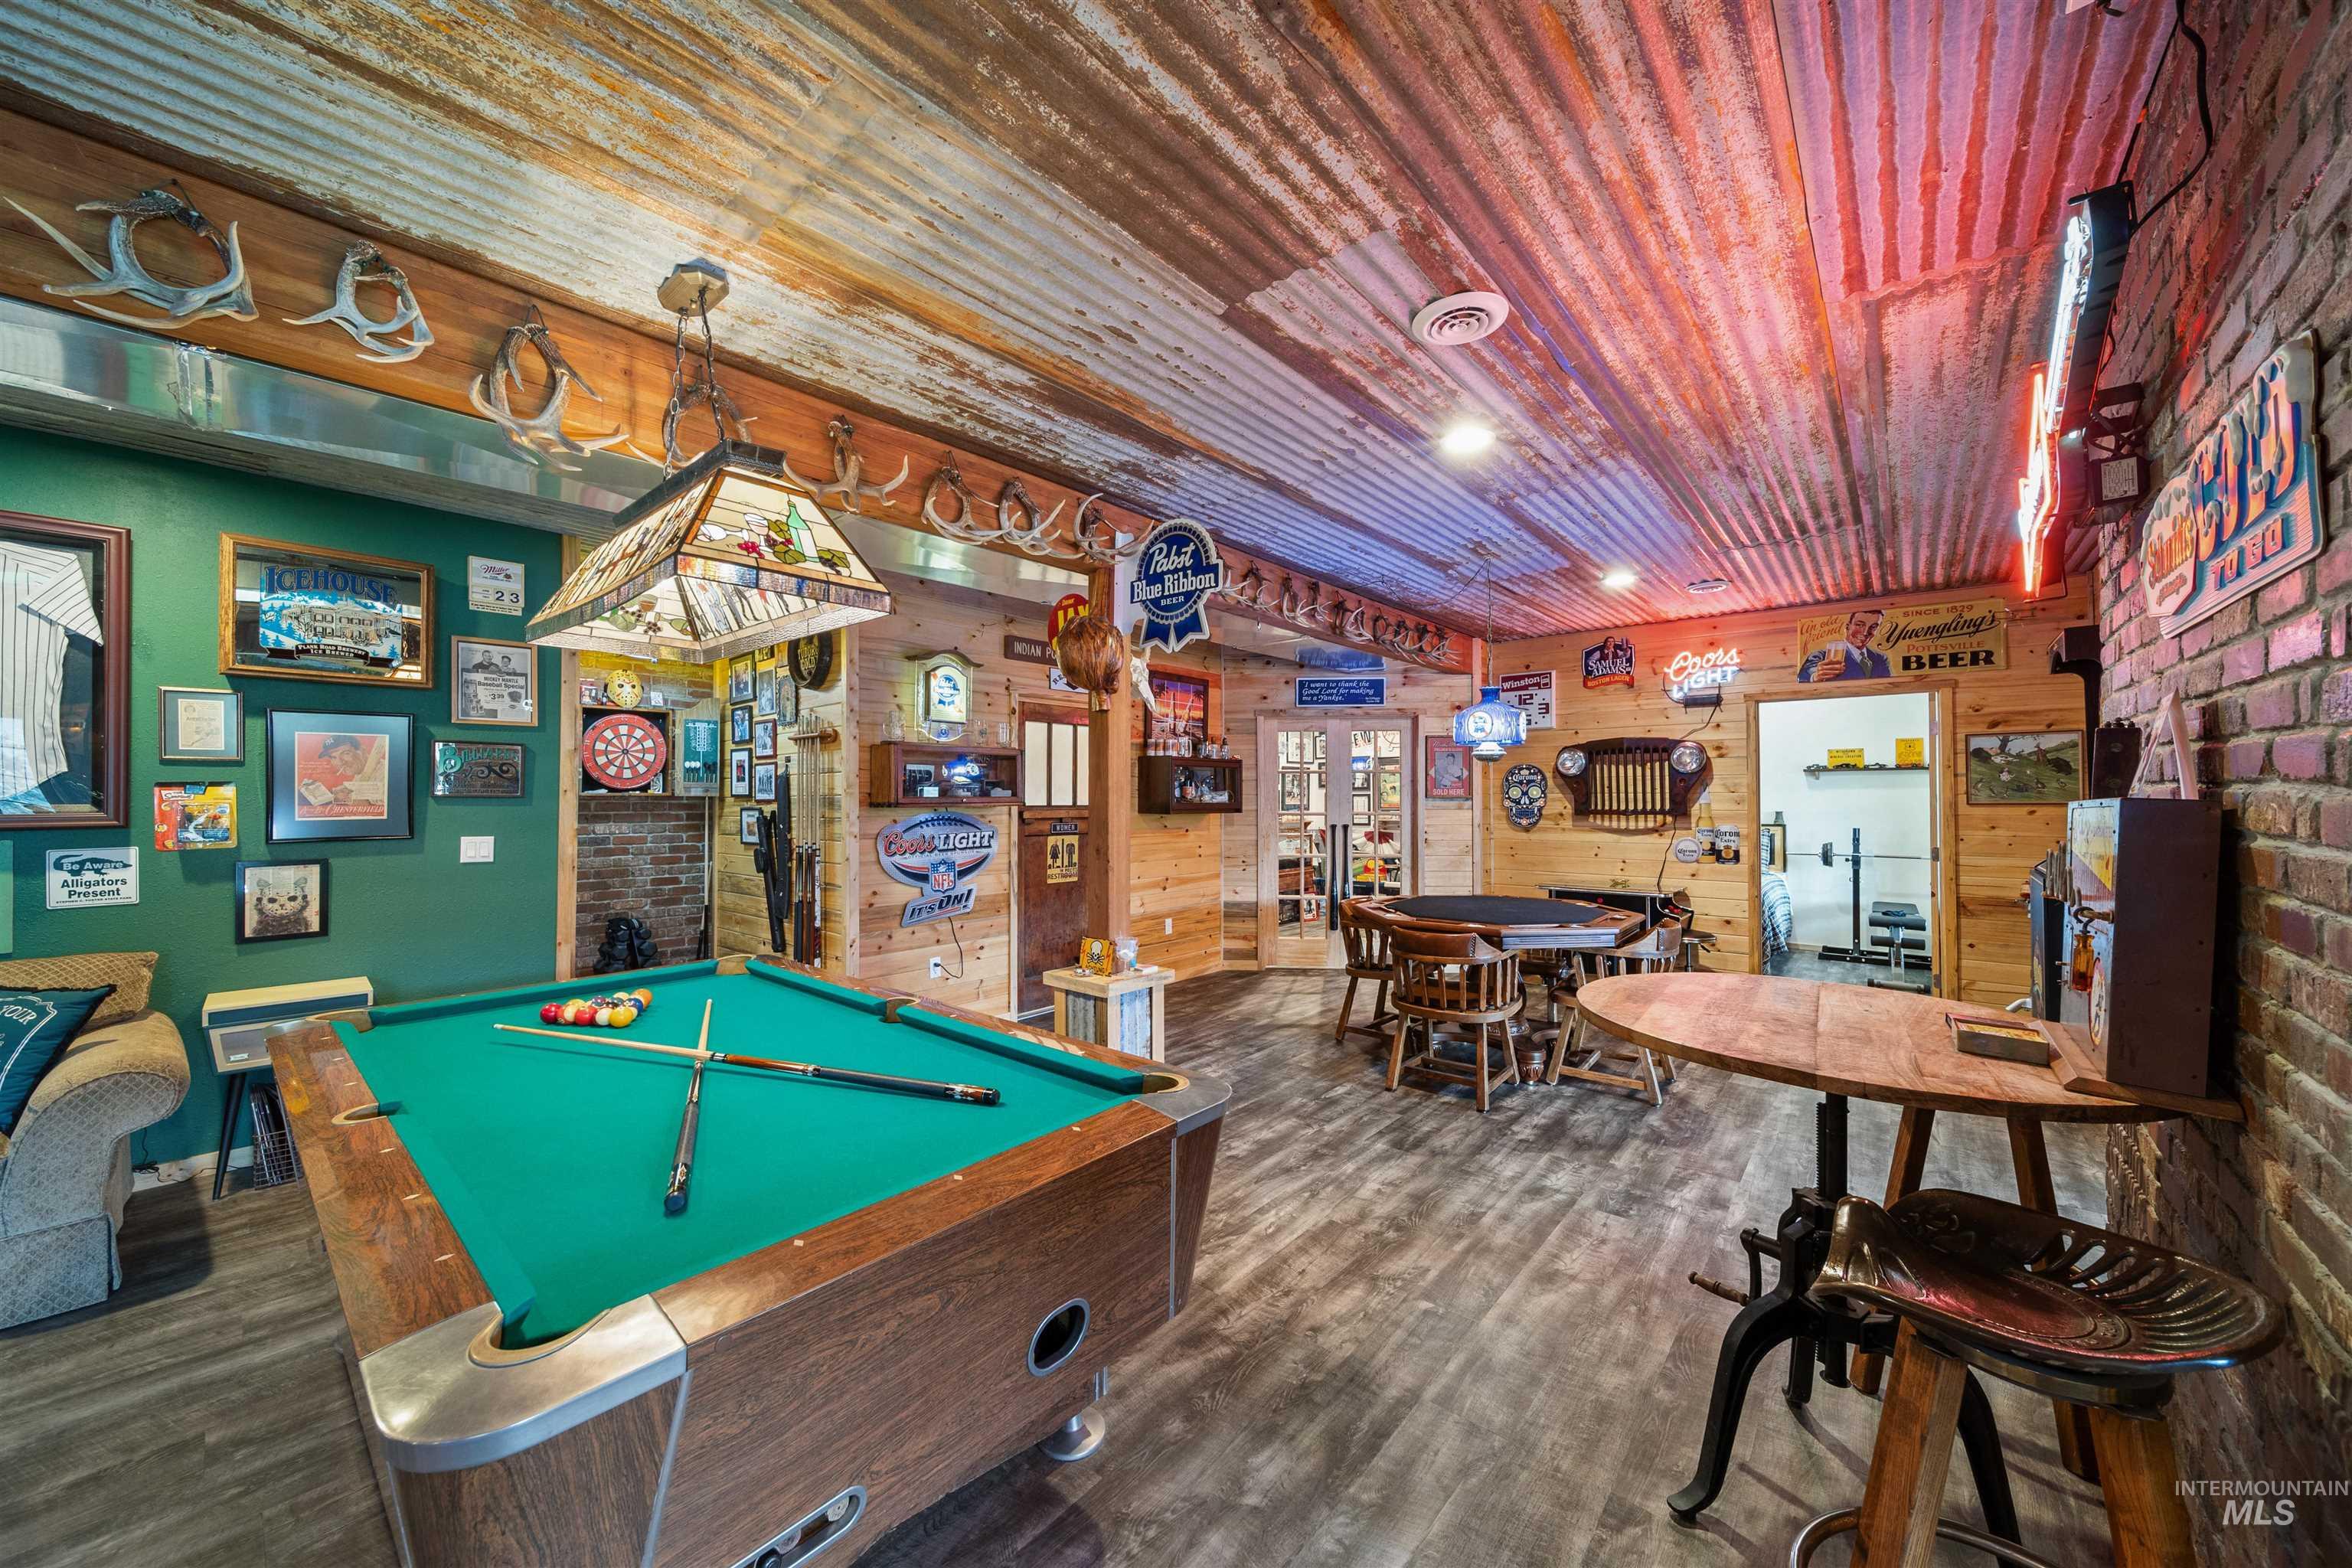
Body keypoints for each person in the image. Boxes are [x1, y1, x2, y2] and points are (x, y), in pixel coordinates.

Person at [1799, 608, 1892, 681]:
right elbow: (1805, 676)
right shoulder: (1821, 656)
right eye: (1860, 625)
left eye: (1873, 627)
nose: (1865, 632)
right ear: (1848, 627)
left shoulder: (1881, 659)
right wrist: (1816, 676)